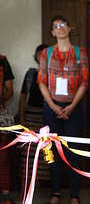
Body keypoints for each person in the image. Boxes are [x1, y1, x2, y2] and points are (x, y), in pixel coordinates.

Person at [38, 15, 89, 204]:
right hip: (52, 108)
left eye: (63, 25)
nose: (60, 28)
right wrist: (52, 105)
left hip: (73, 109)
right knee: (52, 151)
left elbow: (84, 82)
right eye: (56, 26)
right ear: (52, 32)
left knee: (74, 151)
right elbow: (41, 82)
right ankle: (56, 194)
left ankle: (74, 195)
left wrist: (72, 106)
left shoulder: (79, 52)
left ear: (69, 28)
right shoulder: (47, 53)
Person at [17, 44, 50, 199]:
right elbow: (23, 96)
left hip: (47, 117)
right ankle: (24, 191)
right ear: (36, 57)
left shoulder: (53, 73)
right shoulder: (31, 74)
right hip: (30, 116)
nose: (41, 56)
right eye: (39, 54)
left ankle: (49, 191)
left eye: (45, 53)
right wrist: (22, 116)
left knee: (46, 152)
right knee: (27, 154)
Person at [0, 54, 15, 204]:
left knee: (2, 158)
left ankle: (5, 197)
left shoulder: (3, 60)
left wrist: (1, 99)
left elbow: (9, 89)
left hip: (0, 114)